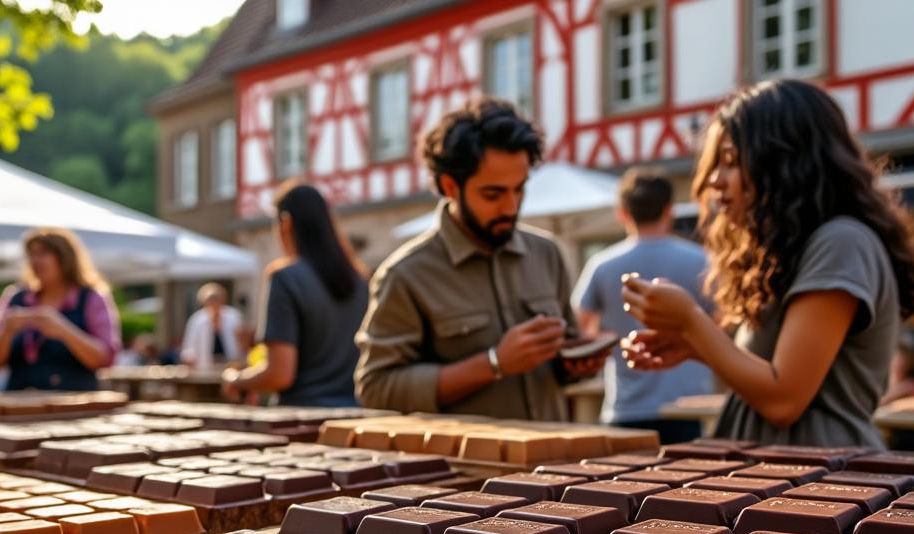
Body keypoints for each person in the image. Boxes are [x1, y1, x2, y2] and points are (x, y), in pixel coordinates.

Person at [621, 79, 914, 448]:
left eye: (731, 162)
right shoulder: (794, 249)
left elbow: (783, 398)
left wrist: (691, 320)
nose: (715, 181)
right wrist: (694, 345)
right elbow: (773, 376)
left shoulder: (841, 242)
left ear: (785, 163)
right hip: (784, 474)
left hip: (824, 480)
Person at [354, 98, 607, 420]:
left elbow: (562, 360)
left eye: (519, 189)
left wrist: (577, 364)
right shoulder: (405, 274)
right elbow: (376, 389)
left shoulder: (547, 253)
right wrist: (493, 363)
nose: (511, 207)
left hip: (554, 463)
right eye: (493, 194)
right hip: (469, 468)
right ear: (450, 186)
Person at [572, 168, 712, 443]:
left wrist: (614, 339)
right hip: (691, 406)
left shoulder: (602, 265)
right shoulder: (702, 261)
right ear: (669, 210)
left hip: (625, 407)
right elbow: (724, 323)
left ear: (622, 212)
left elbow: (581, 331)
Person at [222, 182, 370, 406]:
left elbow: (280, 374)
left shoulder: (285, 277)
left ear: (286, 222)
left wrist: (236, 380)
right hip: (354, 418)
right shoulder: (360, 279)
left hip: (301, 418)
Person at [0, 228, 120, 390]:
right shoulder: (15, 297)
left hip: (75, 403)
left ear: (65, 258)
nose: (35, 260)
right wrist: (7, 332)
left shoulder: (91, 297)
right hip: (20, 402)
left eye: (43, 254)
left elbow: (105, 359)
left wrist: (63, 329)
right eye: (32, 254)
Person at [180, 283, 244, 368]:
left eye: (216, 299)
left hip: (231, 365)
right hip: (205, 366)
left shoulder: (234, 317)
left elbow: (242, 341)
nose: (214, 303)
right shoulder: (197, 320)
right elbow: (189, 347)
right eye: (210, 300)